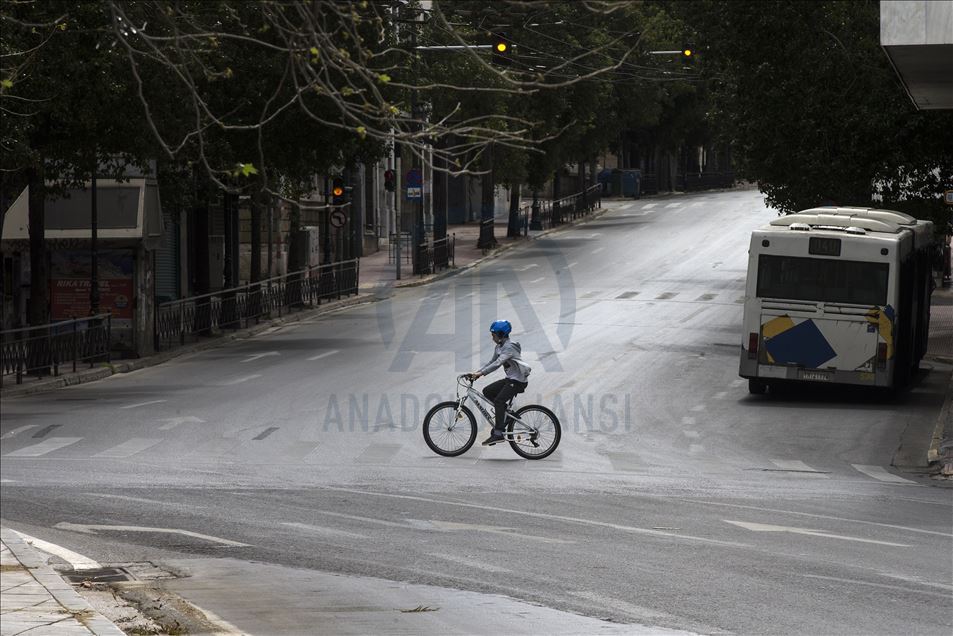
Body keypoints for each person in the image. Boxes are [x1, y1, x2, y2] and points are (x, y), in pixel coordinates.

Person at [466, 320, 531, 446]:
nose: (492, 338)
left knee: (499, 401)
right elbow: (491, 361)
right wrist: (477, 373)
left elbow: (497, 364)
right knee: (487, 391)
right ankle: (507, 414)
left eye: (494, 335)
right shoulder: (499, 347)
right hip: (511, 379)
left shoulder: (510, 347)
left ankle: (498, 432)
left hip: (518, 381)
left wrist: (481, 374)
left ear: (501, 334)